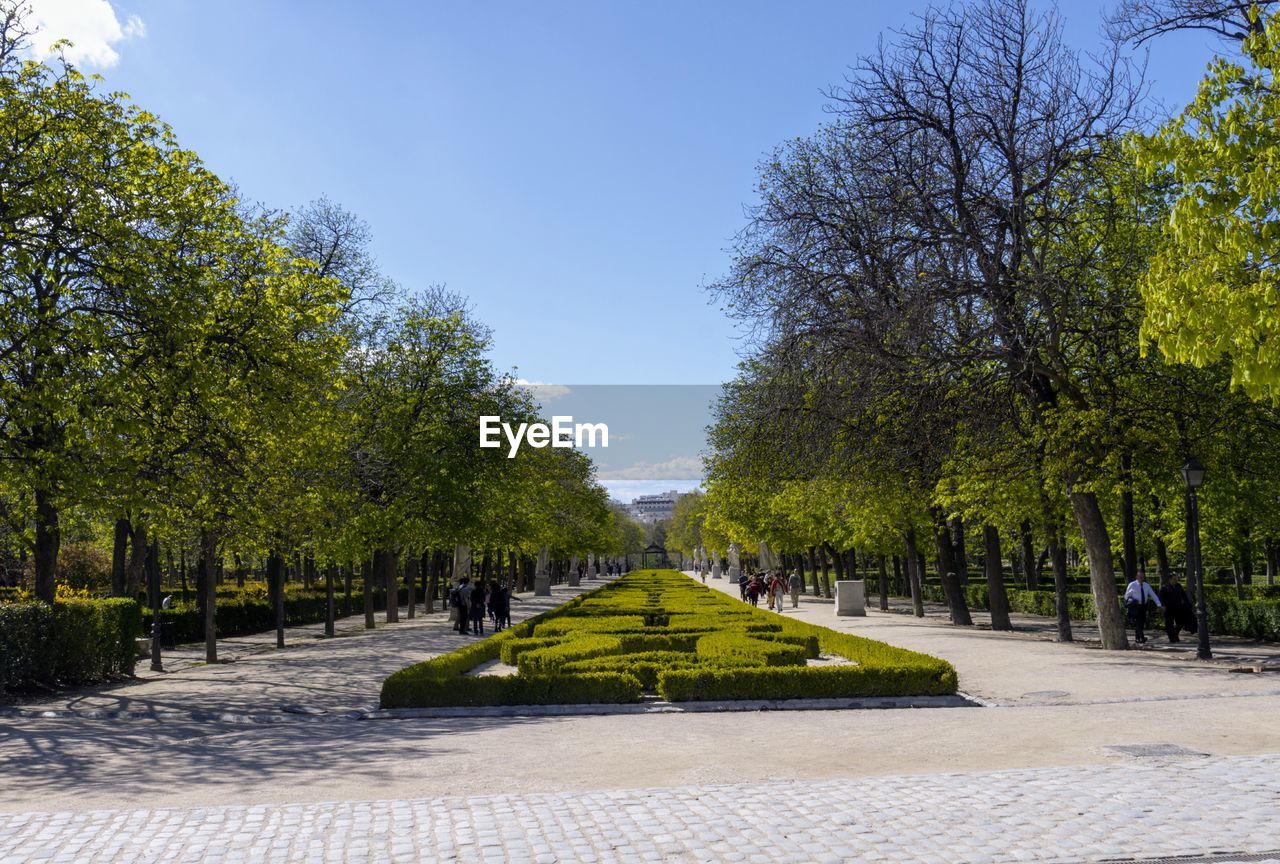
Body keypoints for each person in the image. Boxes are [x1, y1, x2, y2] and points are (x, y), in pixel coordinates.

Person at [1124, 571, 1162, 644]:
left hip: (1144, 606)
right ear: (1136, 577)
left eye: (1142, 577)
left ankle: (1137, 638)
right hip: (1136, 606)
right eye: (1140, 576)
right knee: (1139, 622)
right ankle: (1142, 637)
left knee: (1141, 622)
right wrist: (1131, 594)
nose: (1141, 578)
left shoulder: (1146, 585)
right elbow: (1126, 596)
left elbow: (1153, 595)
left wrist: (1159, 605)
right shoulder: (1132, 585)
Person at [1158, 574, 1196, 643]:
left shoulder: (1179, 586)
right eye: (1174, 579)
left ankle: (1175, 634)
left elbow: (1184, 596)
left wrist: (1188, 604)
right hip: (1168, 609)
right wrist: (1162, 606)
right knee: (1169, 624)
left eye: (1176, 579)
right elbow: (1160, 598)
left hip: (1178, 607)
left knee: (1180, 622)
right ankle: (1172, 638)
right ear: (1170, 580)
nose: (1176, 580)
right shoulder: (1165, 588)